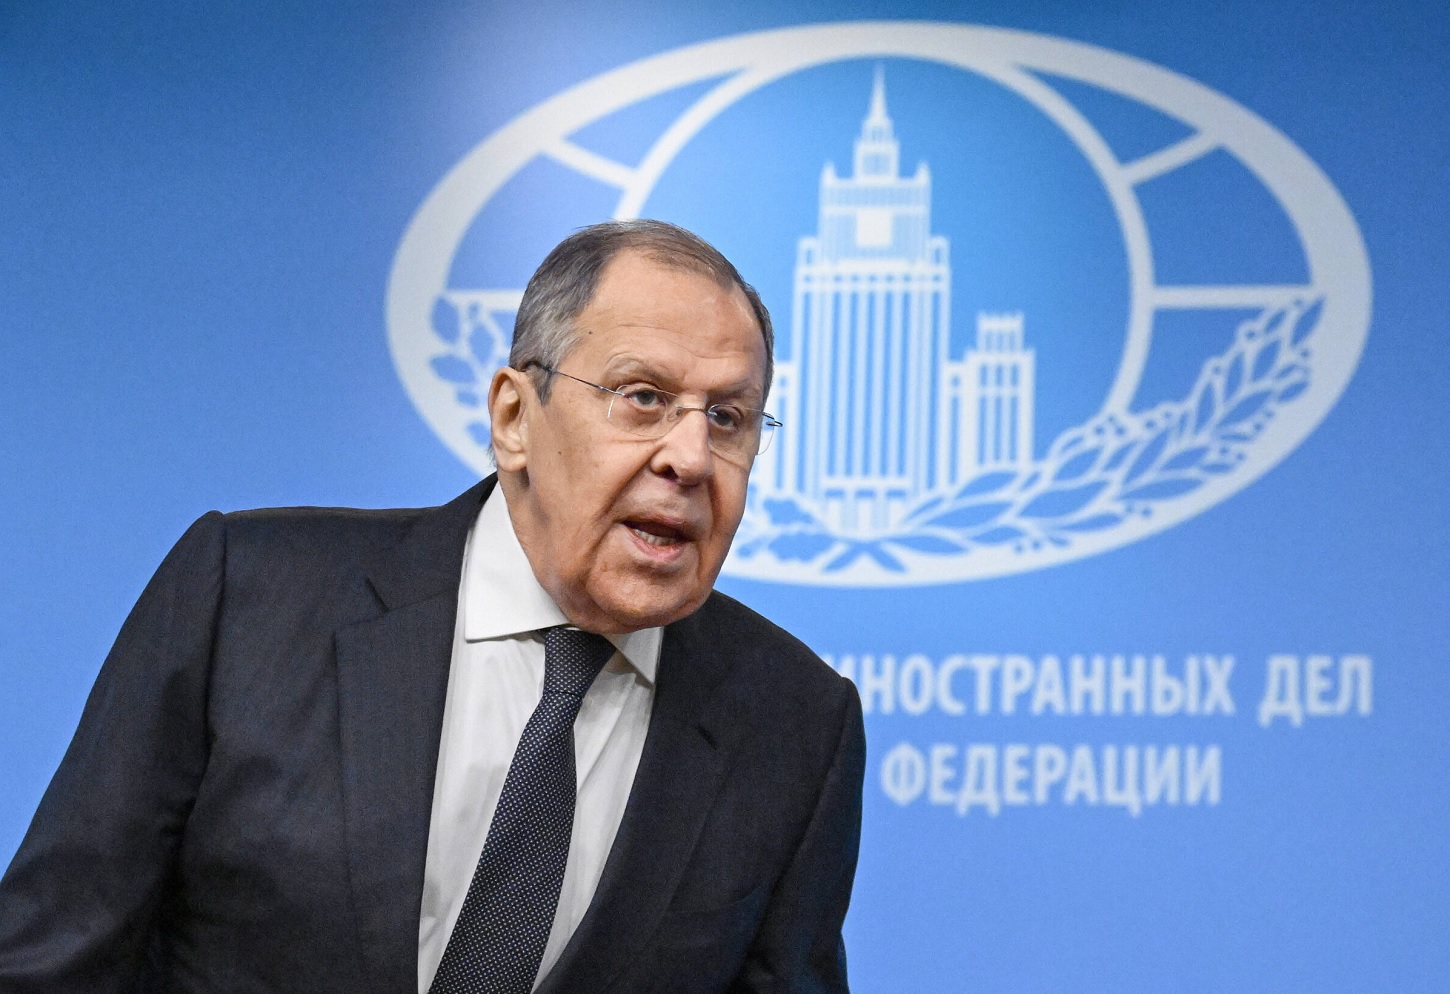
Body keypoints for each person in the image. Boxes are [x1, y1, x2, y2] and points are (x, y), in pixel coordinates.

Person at [0, 219, 866, 994]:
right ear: (515, 416)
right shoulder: (247, 599)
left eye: (729, 418)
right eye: (643, 397)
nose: (691, 457)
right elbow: (51, 959)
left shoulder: (795, 723)